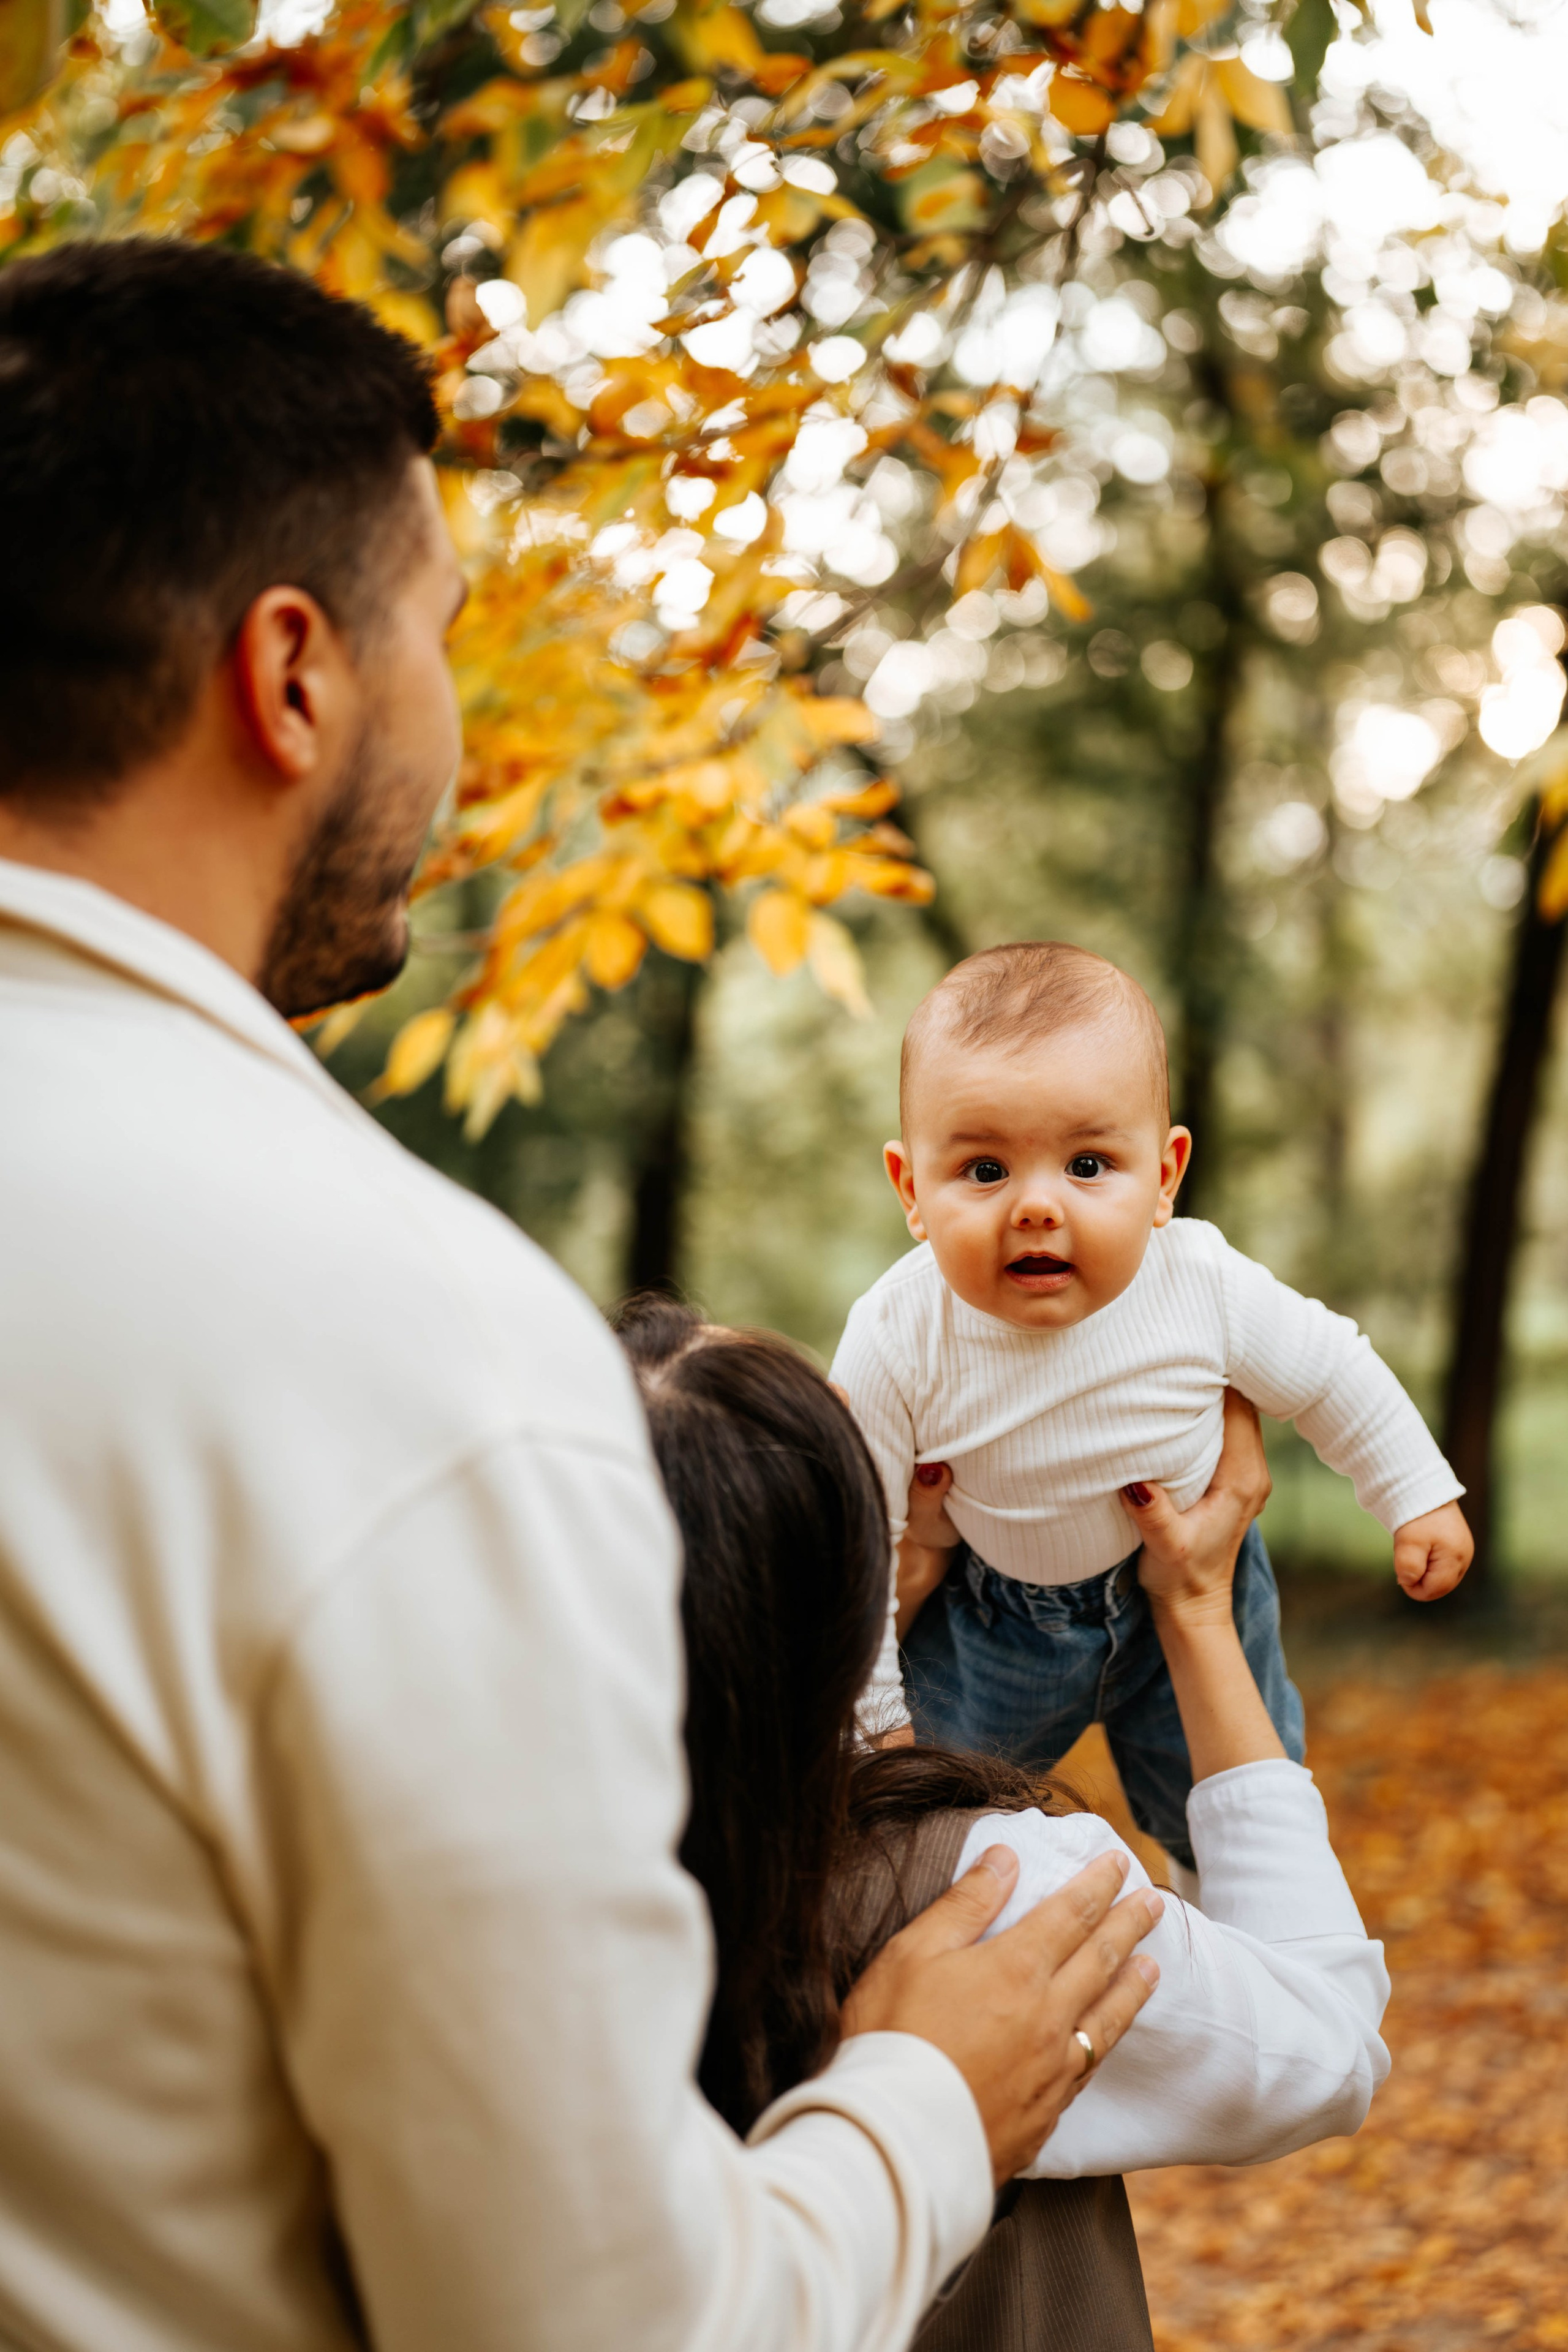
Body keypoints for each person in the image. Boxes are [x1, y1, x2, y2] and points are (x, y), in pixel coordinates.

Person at [0, 236, 1161, 2352]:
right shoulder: (409, 1357)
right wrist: (923, 2104)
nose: (450, 715)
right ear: (293, 676)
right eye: (437, 630)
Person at [617, 1301, 1391, 2350]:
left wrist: (893, 1608)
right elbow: (1327, 2048)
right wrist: (1202, 1610)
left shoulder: (450, 1899)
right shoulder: (994, 1895)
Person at [832, 941, 1472, 1870]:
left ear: (1166, 1175)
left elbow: (1330, 1368)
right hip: (991, 1623)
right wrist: (880, 1728)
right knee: (921, 1830)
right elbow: (857, 1548)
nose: (1038, 1206)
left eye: (1089, 1164)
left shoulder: (1201, 1283)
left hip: (1192, 1590)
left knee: (1233, 1819)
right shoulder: (898, 1334)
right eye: (983, 1171)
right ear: (911, 1191)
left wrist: (1413, 1489)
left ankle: (1220, 1908)